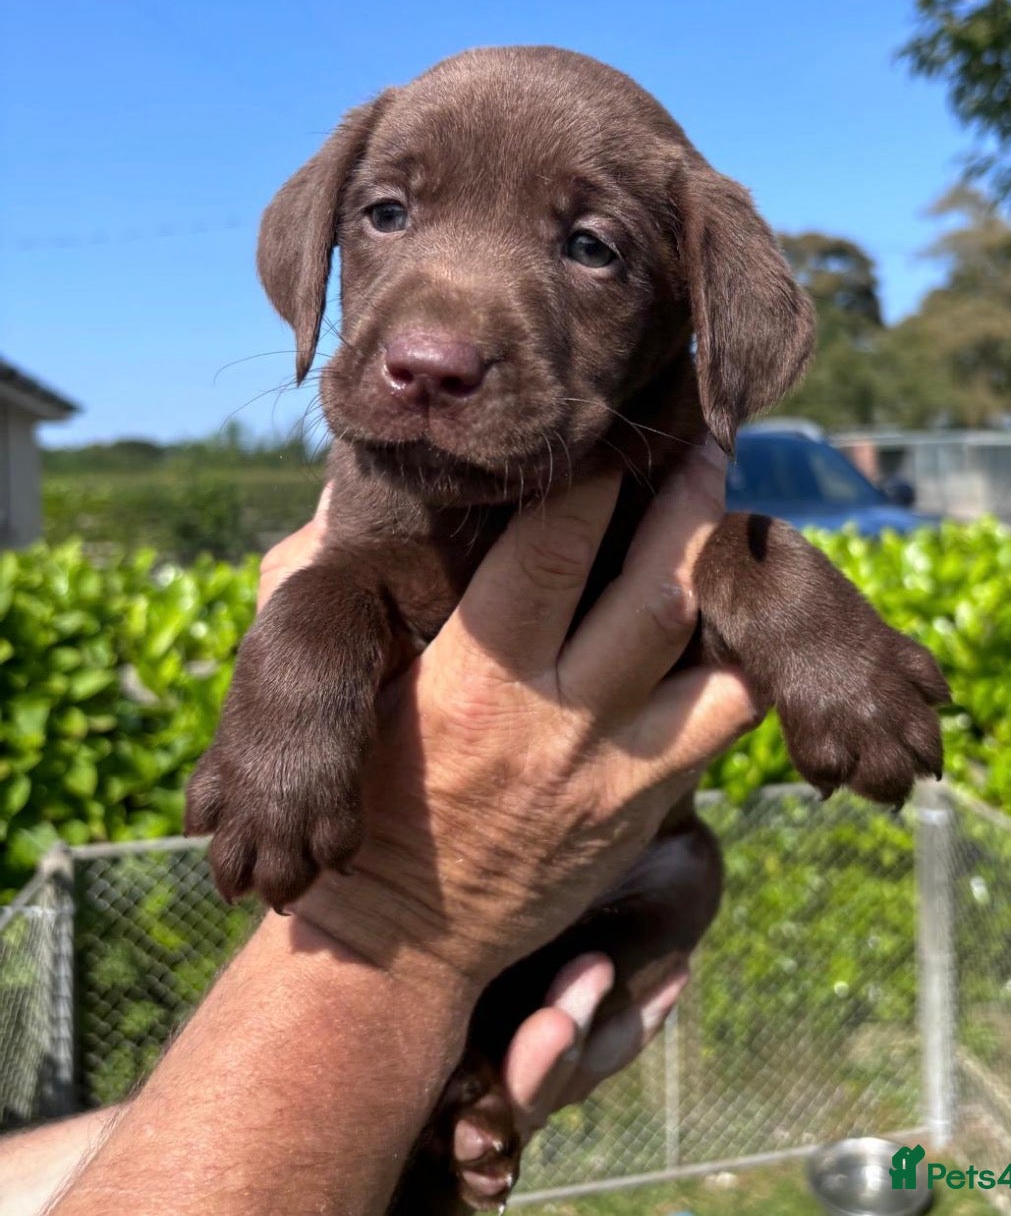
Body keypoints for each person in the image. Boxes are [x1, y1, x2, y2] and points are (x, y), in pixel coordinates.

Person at [0, 443, 757, 1216]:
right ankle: (443, 1125)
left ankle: (441, 1121)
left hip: (581, 944)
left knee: (680, 876)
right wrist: (386, 922)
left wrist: (356, 1120)